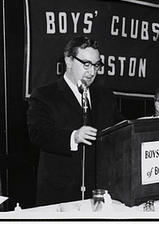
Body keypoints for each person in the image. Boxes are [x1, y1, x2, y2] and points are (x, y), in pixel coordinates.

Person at [27, 36, 125, 206]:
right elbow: (38, 133)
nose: (92, 72)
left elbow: (121, 128)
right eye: (86, 64)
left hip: (99, 190)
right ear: (69, 61)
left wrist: (148, 124)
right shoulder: (44, 95)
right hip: (61, 192)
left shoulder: (105, 96)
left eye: (96, 65)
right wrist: (74, 137)